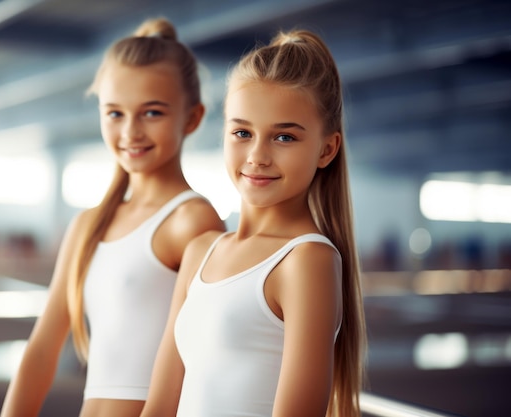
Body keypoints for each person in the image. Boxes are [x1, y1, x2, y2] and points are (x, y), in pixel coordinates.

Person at [0, 17, 225, 417]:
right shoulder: (88, 226)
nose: (130, 132)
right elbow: (42, 350)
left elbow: (206, 365)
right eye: (115, 113)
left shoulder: (192, 222)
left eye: (151, 113)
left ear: (191, 118)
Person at [140, 29, 367, 417]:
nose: (258, 156)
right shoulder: (200, 252)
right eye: (242, 132)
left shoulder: (305, 260)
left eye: (284, 137)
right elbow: (159, 406)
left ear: (326, 149)